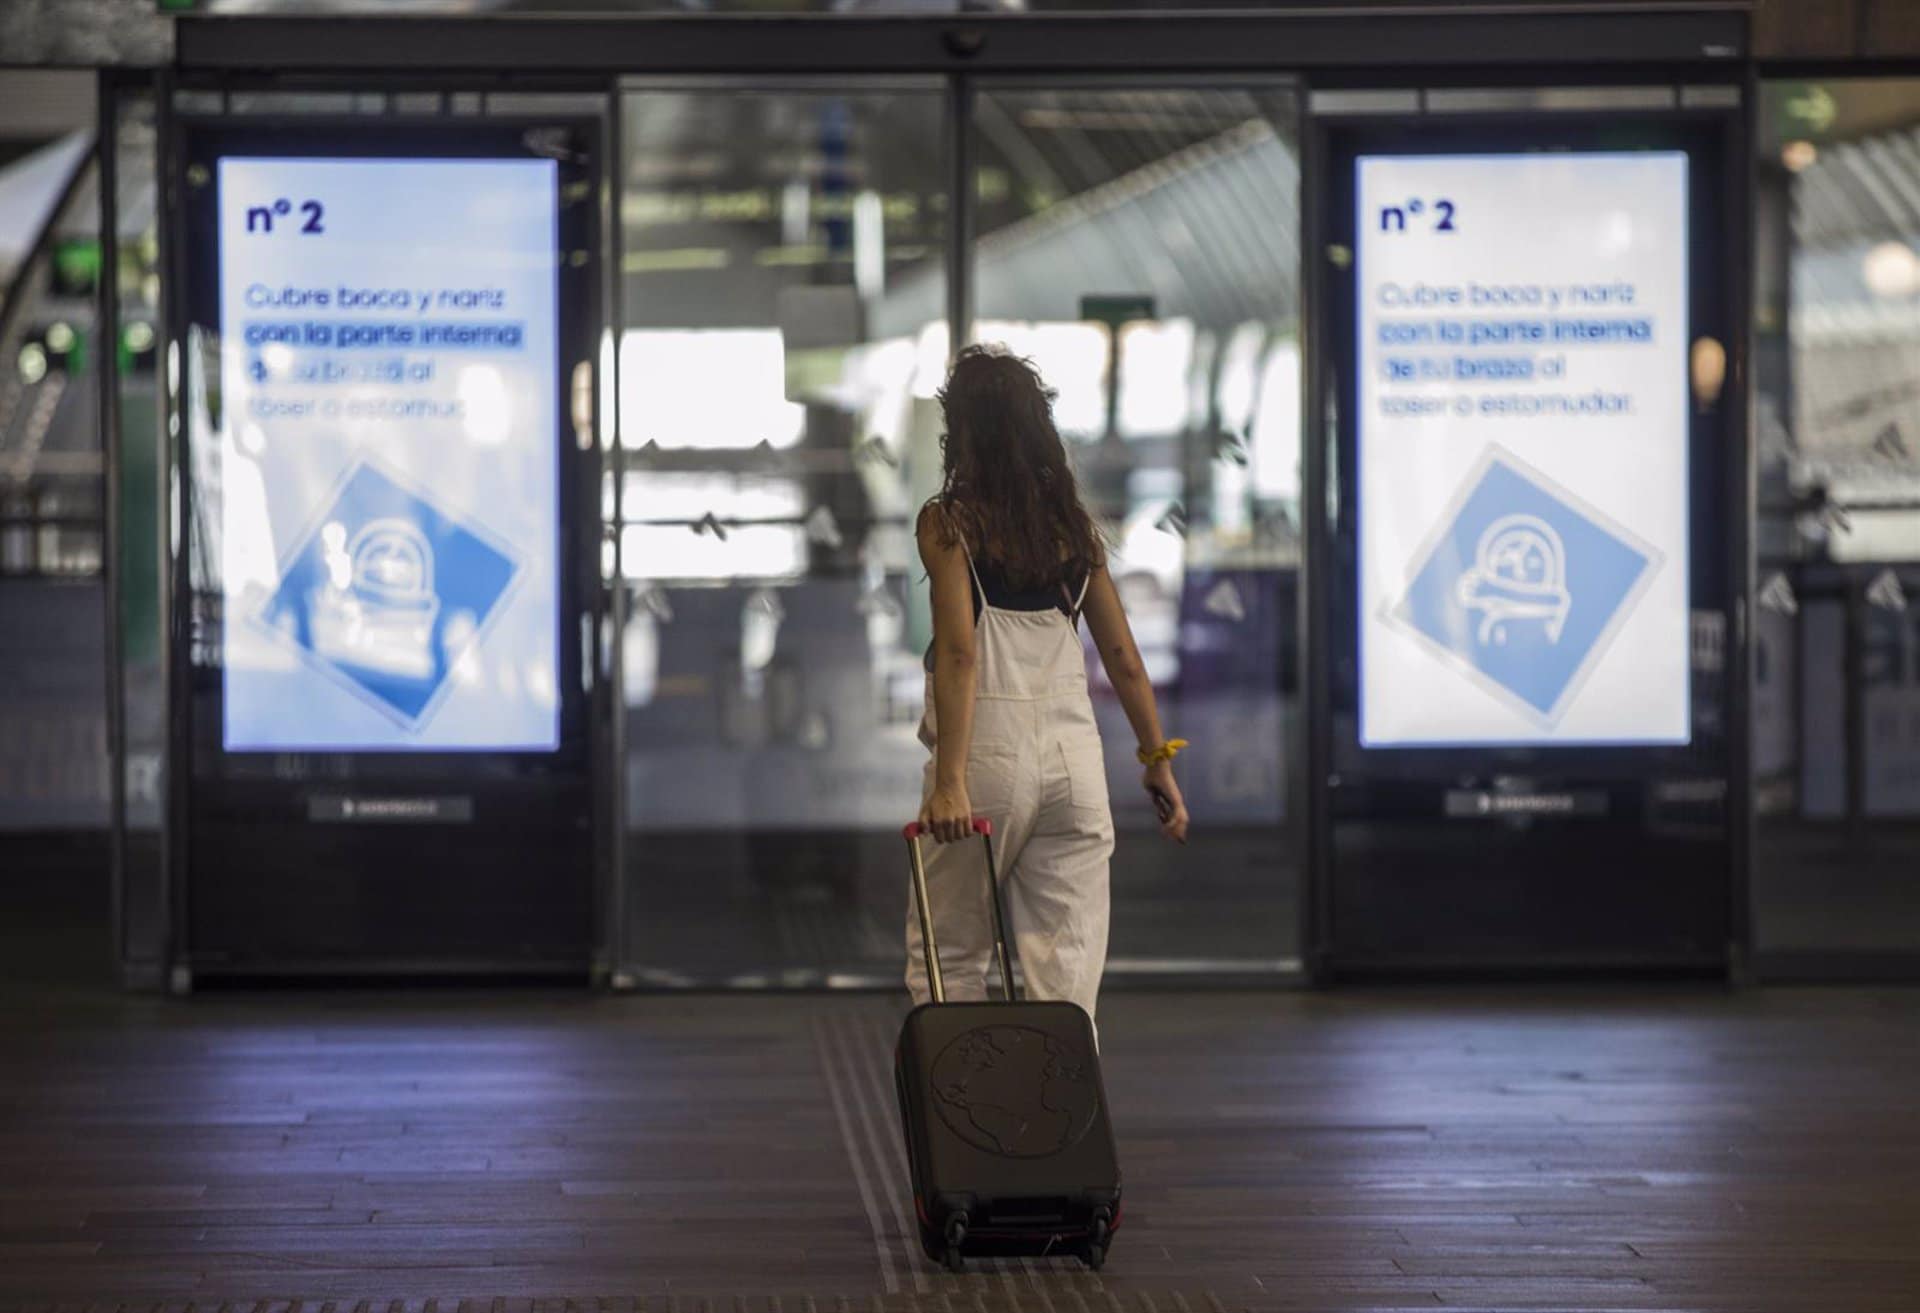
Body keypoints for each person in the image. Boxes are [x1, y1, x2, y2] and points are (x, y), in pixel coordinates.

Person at [910, 345, 1191, 1024]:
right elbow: (1124, 658)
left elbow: (959, 654)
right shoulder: (1071, 529)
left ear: (963, 432)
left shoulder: (948, 523)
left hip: (986, 758)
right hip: (1075, 762)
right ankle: (1060, 1126)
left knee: (948, 961)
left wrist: (950, 781)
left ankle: (966, 1125)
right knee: (1066, 979)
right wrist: (1157, 763)